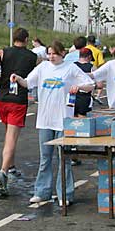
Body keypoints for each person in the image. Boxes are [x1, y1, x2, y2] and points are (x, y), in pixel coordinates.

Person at [10, 40, 94, 206]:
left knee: (64, 158)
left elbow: (90, 85)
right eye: (49, 53)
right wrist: (18, 78)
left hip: (63, 120)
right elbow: (28, 83)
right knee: (45, 158)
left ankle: (65, 193)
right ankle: (42, 192)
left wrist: (79, 87)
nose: (51, 56)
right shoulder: (43, 68)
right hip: (45, 120)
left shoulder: (70, 68)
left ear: (62, 53)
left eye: (54, 53)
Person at [0, 28, 37, 196]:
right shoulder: (32, 56)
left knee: (8, 132)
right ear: (26, 39)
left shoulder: (3, 52)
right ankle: (3, 171)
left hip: (2, 97)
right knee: (11, 138)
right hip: (18, 100)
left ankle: (11, 165)